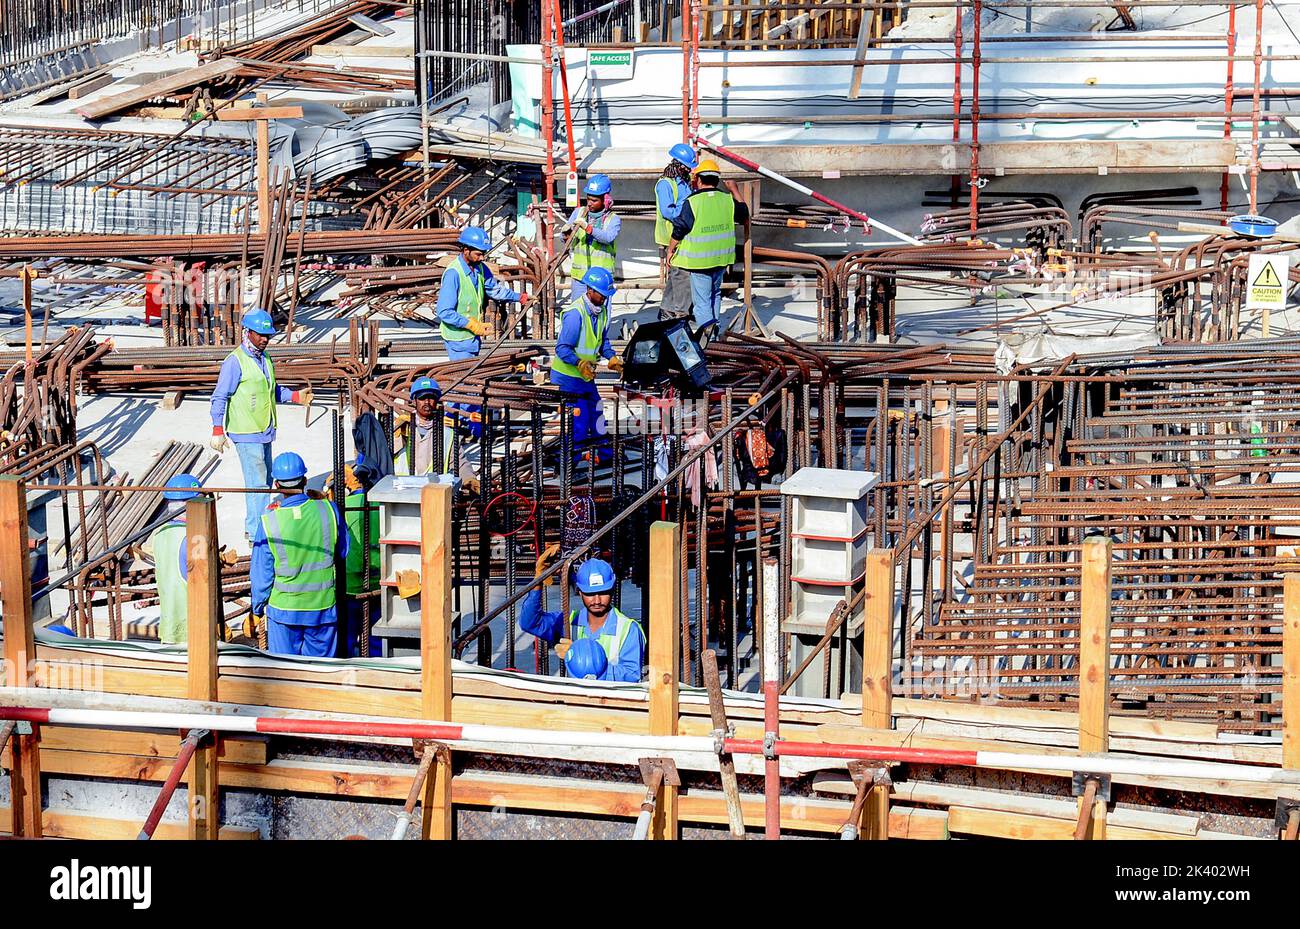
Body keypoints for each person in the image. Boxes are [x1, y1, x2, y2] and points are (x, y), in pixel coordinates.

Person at [209, 308, 313, 541]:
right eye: (260, 335)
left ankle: (254, 526)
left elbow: (269, 390)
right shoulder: (235, 362)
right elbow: (219, 396)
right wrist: (217, 429)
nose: (265, 339)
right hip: (246, 432)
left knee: (265, 482)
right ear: (248, 332)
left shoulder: (264, 358)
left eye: (268, 336)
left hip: (265, 430)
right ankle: (258, 535)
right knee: (257, 485)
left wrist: (295, 396)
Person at [250, 452, 349, 658]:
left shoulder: (270, 521)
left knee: (286, 675)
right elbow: (342, 551)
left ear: (276, 485)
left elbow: (262, 572)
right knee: (320, 675)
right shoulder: (329, 510)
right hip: (322, 609)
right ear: (305, 480)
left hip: (284, 612)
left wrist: (257, 607)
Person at [520, 557, 646, 682]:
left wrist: (579, 659)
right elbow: (530, 623)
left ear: (612, 590)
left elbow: (632, 676)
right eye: (590, 594)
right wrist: (538, 580)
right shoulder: (570, 623)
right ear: (580, 592)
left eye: (603, 593)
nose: (597, 600)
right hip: (577, 698)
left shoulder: (628, 629)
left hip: (613, 700)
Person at [550, 266, 624, 464]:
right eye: (602, 294)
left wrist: (612, 357)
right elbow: (562, 348)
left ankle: (606, 455)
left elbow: (602, 341)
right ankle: (569, 462)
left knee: (597, 413)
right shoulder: (575, 314)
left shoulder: (600, 312)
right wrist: (579, 362)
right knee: (580, 423)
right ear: (589, 291)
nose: (605, 298)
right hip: (568, 377)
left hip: (584, 377)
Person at [669, 158, 751, 333]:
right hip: (721, 259)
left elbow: (680, 229)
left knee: (702, 302)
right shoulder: (727, 200)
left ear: (698, 180)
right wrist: (735, 190)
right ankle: (713, 332)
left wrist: (670, 249)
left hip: (700, 263)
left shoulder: (692, 202)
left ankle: (708, 338)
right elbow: (744, 214)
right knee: (715, 295)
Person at [436, 226, 535, 361]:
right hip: (458, 339)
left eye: (484, 253)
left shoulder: (481, 268)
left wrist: (519, 297)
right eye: (478, 254)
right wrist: (471, 325)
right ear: (466, 250)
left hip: (472, 338)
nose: (482, 257)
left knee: (471, 377)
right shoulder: (453, 274)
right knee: (462, 378)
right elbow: (444, 311)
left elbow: (495, 290)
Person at [146, 473, 202, 645]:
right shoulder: (191, 536)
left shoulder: (160, 533)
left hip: (169, 623)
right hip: (191, 625)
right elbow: (201, 578)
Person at [341, 458, 380, 658]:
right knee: (376, 640)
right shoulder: (382, 506)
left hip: (349, 586)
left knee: (347, 640)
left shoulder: (344, 506)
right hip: (378, 584)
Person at [655, 143, 697, 318]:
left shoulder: (685, 183)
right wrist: (687, 208)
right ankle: (679, 314)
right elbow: (667, 211)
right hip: (673, 235)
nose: (690, 170)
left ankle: (666, 312)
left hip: (685, 234)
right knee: (681, 278)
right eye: (687, 167)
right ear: (678, 165)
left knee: (675, 278)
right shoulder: (665, 184)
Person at [567, 174, 621, 302]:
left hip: (601, 279)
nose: (590, 203)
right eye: (588, 199)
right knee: (578, 312)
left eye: (594, 200)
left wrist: (588, 228)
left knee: (600, 316)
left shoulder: (613, 220)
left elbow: (608, 237)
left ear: (606, 200)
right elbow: (567, 241)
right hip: (580, 276)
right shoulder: (578, 213)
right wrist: (565, 235)